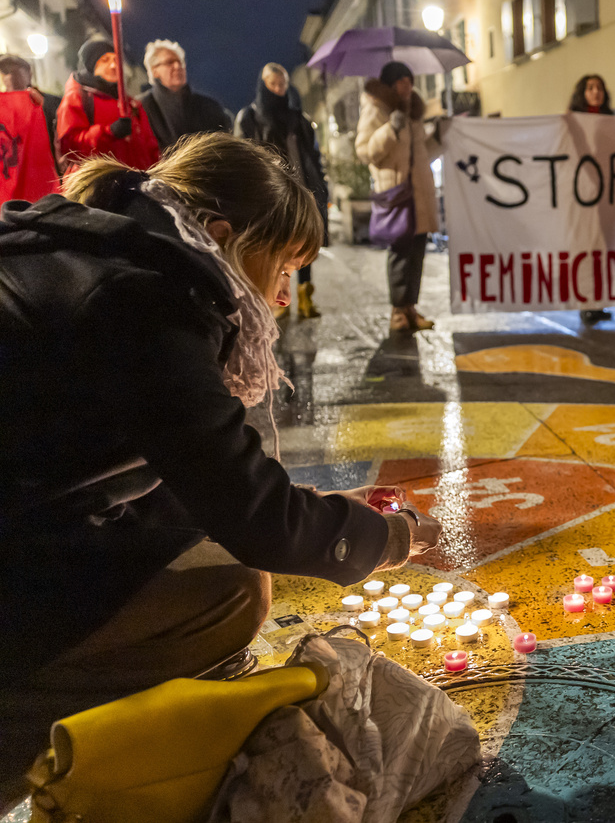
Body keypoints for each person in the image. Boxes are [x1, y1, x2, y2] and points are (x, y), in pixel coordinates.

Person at [0, 132, 441, 805]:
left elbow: (205, 475)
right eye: (283, 266)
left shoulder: (90, 242)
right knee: (234, 593)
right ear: (222, 234)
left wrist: (309, 505)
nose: (285, 295)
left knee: (195, 540)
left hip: (27, 511)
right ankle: (32, 742)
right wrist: (385, 538)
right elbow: (254, 517)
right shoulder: (143, 301)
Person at [235, 63, 329, 319]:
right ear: (263, 85)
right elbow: (245, 157)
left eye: (283, 85)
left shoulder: (298, 119)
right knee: (275, 247)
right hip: (272, 195)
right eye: (273, 85)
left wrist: (320, 187)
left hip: (303, 190)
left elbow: (312, 155)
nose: (278, 90)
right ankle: (277, 297)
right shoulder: (250, 117)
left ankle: (305, 296)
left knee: (305, 246)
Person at [356, 61, 442, 332]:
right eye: (402, 81)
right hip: (397, 192)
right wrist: (390, 129)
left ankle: (411, 308)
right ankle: (397, 312)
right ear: (391, 84)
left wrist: (439, 136)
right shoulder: (376, 108)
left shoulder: (414, 112)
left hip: (420, 193)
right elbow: (366, 151)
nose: (408, 86)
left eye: (410, 80)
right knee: (400, 254)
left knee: (417, 252)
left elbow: (423, 152)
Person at [56, 39, 159, 175]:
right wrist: (109, 133)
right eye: (104, 60)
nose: (113, 65)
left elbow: (151, 146)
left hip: (137, 184)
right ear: (90, 66)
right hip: (98, 185)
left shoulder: (131, 104)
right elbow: (70, 147)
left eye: (116, 60)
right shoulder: (77, 98)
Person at [568, 74, 615, 323]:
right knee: (587, 248)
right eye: (590, 88)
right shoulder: (573, 121)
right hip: (583, 191)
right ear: (582, 93)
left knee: (603, 249)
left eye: (599, 87)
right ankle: (585, 300)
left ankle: (598, 302)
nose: (596, 92)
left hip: (608, 191)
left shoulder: (610, 121)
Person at [140, 39, 232, 151]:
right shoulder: (142, 108)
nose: (178, 66)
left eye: (181, 62)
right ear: (154, 71)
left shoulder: (209, 106)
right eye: (170, 62)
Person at [0, 55, 60, 202]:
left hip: (42, 177)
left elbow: (62, 131)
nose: (11, 76)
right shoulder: (3, 109)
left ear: (29, 73)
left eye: (16, 71)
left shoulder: (49, 101)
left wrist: (43, 109)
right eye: (6, 72)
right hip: (10, 181)